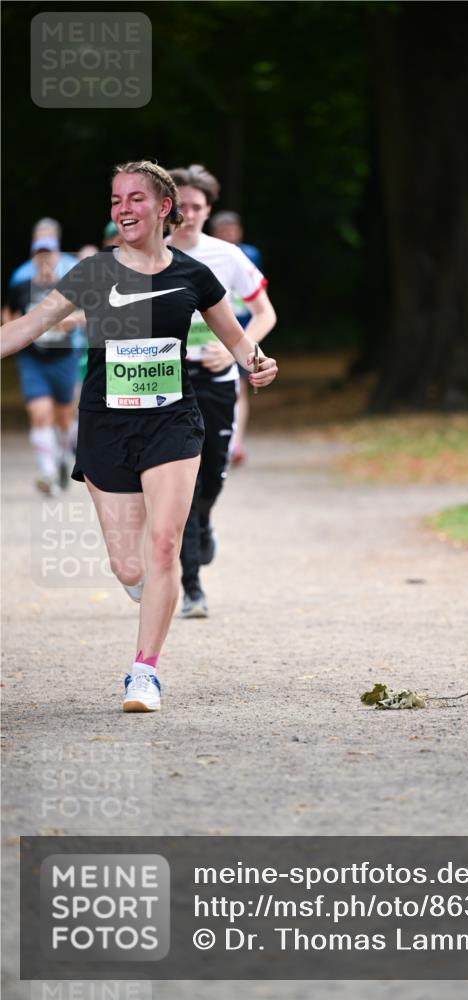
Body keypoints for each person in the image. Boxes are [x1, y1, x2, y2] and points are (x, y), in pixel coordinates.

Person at [0, 160, 278, 713]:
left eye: (134, 199)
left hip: (172, 420)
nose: (123, 208)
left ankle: (144, 673)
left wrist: (258, 362)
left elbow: (238, 339)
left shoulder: (195, 275)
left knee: (164, 545)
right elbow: (29, 326)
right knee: (130, 567)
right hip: (105, 424)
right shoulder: (93, 272)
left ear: (163, 208)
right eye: (116, 200)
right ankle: (148, 585)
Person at [169, 166, 277, 618]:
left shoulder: (227, 255)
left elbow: (265, 312)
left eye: (197, 206)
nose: (189, 214)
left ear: (208, 210)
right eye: (182, 206)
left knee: (212, 475)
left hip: (217, 381)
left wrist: (236, 350)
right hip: (169, 382)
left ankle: (204, 522)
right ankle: (192, 587)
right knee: (183, 484)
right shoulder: (152, 255)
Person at [6, 238, 82, 495]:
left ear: (57, 257)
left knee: (64, 418)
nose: (45, 259)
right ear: (33, 258)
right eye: (40, 254)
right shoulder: (21, 288)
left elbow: (88, 312)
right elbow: (8, 314)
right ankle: (47, 474)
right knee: (40, 413)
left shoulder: (67, 287)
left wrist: (70, 321)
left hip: (63, 359)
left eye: (49, 254)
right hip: (32, 361)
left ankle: (61, 460)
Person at [210, 209, 264, 465]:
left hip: (244, 331)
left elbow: (259, 297)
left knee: (241, 386)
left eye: (232, 230)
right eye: (223, 231)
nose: (229, 235)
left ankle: (235, 443)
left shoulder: (250, 254)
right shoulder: (206, 255)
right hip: (212, 332)